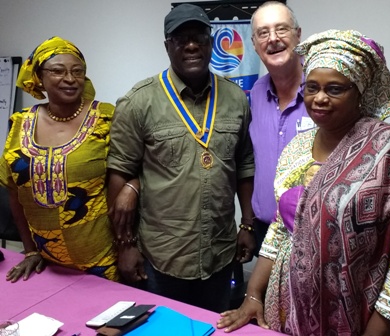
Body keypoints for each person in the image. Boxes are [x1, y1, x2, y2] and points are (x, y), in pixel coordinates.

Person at [219, 29, 390, 335]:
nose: (319, 98)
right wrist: (253, 295)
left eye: (335, 89)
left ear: (359, 91)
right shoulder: (298, 147)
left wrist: (378, 330)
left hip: (357, 313)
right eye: (311, 87)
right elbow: (281, 228)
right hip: (287, 307)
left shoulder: (389, 150)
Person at [107, 4, 255, 313]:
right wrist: (126, 245)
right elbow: (120, 174)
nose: (191, 45)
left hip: (220, 252)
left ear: (211, 42)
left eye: (199, 37)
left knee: (213, 327)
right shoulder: (138, 102)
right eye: (180, 38)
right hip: (161, 258)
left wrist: (248, 226)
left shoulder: (236, 99)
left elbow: (244, 166)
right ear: (167, 46)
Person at [0, 36, 119, 282]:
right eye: (57, 71)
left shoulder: (105, 118)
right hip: (48, 265)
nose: (70, 79)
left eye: (78, 71)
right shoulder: (21, 122)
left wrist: (129, 246)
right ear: (39, 77)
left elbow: (129, 176)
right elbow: (14, 191)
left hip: (104, 262)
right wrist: (31, 249)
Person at [248, 1, 313, 255]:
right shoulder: (256, 92)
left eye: (281, 29)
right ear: (254, 44)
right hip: (264, 232)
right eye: (263, 33)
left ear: (298, 34)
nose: (273, 39)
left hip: (313, 236)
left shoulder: (323, 90)